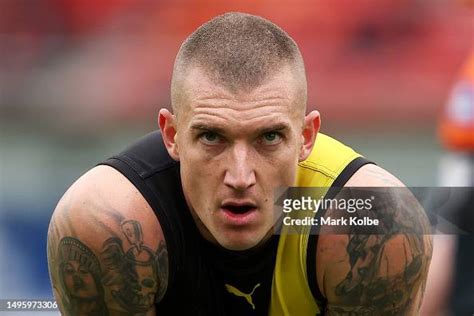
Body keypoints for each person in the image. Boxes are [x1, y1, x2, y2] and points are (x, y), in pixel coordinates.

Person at [47, 12, 432, 315]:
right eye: (212, 137)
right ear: (171, 136)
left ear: (306, 137)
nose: (240, 177)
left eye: (269, 137)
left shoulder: (376, 223)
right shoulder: (105, 223)